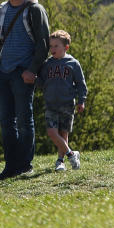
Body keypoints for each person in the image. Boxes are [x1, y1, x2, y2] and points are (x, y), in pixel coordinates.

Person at [0, 0, 51, 181]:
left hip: (23, 74)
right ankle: (10, 165)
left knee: (24, 120)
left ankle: (25, 165)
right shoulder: (3, 9)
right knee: (6, 121)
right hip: (3, 74)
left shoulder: (34, 9)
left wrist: (32, 70)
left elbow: (43, 44)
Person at [39, 29, 86, 171]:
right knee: (52, 133)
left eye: (56, 46)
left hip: (67, 104)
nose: (52, 49)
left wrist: (81, 100)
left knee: (63, 134)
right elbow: (42, 82)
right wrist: (34, 80)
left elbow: (81, 83)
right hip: (51, 104)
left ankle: (60, 161)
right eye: (51, 46)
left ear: (66, 47)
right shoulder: (47, 64)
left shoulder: (73, 63)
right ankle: (71, 154)